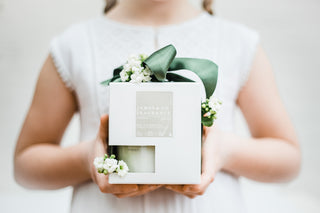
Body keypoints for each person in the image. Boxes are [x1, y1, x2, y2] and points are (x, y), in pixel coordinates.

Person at [14, 0, 301, 212]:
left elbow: (288, 159)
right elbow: (25, 164)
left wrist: (224, 150)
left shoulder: (238, 42)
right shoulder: (73, 45)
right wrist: (86, 160)